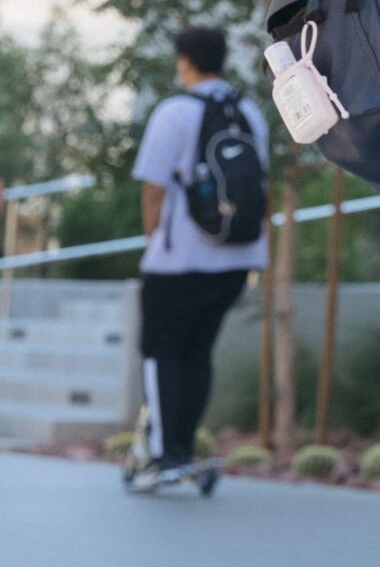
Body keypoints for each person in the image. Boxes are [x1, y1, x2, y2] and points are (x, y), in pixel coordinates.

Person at [131, 24, 269, 486]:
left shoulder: (174, 112)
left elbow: (154, 189)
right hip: (237, 258)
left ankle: (165, 456)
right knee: (197, 353)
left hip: (179, 261)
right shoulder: (250, 112)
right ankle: (184, 450)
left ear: (185, 60)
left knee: (160, 351)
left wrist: (155, 242)